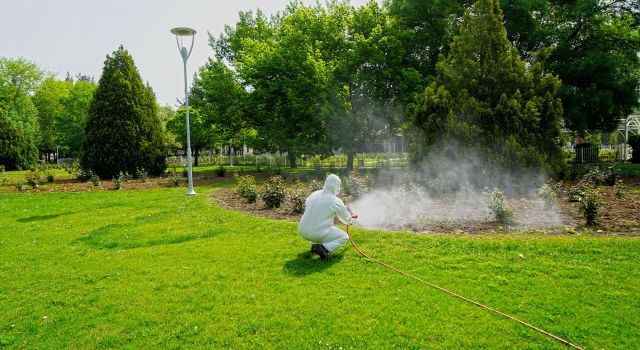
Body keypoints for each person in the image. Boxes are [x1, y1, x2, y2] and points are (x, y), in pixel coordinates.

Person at [298, 174, 356, 260]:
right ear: (337, 186)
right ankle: (324, 248)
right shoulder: (335, 200)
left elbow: (309, 208)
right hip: (316, 233)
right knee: (344, 236)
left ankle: (314, 246)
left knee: (318, 226)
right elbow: (346, 219)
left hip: (302, 230)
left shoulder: (314, 194)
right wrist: (351, 220)